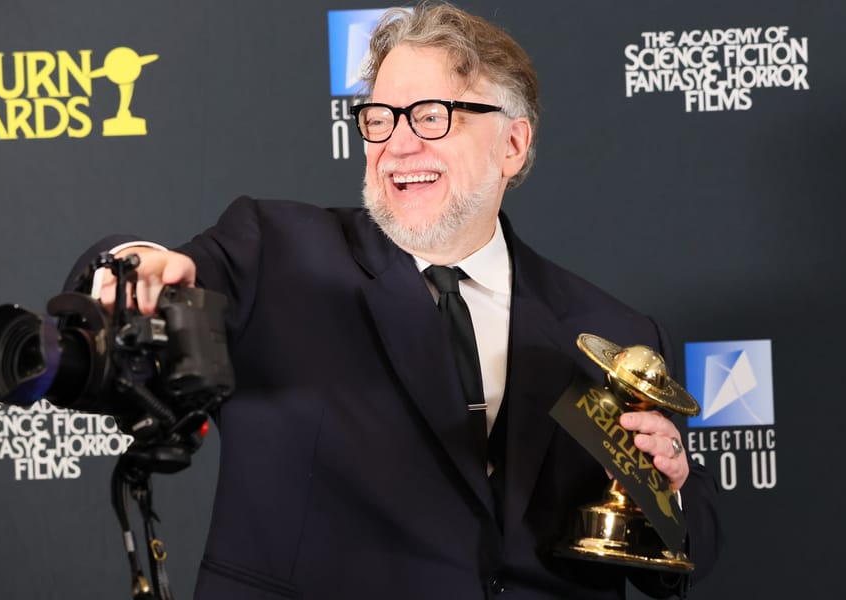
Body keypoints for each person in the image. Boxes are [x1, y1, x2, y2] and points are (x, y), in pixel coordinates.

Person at [71, 2, 721, 598]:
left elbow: (676, 568)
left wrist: (665, 490)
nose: (397, 145)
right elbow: (163, 278)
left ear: (513, 145)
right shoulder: (276, 252)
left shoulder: (610, 333)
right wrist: (136, 268)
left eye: (432, 116)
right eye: (379, 120)